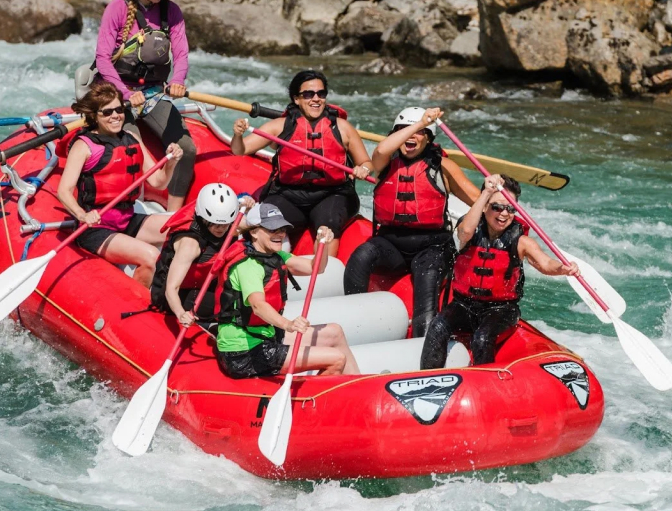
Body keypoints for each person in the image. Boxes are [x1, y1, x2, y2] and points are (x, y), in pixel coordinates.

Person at [342, 107, 481, 337]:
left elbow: (477, 200)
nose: (411, 136)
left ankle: (422, 347)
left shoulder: (443, 167)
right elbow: (380, 149)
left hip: (432, 247)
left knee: (427, 285)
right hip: (391, 244)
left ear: (429, 138)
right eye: (402, 131)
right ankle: (354, 324)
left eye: (419, 132)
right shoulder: (385, 162)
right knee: (360, 256)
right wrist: (418, 125)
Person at [420, 176, 579, 369]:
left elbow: (545, 263)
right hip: (464, 304)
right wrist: (486, 191)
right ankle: (428, 378)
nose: (504, 213)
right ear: (485, 207)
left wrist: (563, 268)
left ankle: (484, 385)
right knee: (437, 327)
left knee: (482, 337)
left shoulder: (521, 241)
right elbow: (464, 232)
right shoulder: (468, 231)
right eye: (497, 207)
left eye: (510, 208)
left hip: (501, 310)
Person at [229, 70, 372, 257]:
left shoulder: (342, 128)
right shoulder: (280, 126)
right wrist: (238, 135)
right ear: (297, 99)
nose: (316, 99)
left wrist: (363, 169)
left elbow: (367, 162)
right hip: (289, 194)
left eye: (321, 94)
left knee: (328, 222)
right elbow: (240, 149)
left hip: (332, 194)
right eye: (308, 94)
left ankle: (322, 276)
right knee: (265, 220)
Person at [57, 82, 183, 288]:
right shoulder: (84, 146)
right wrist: (82, 215)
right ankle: (139, 306)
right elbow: (63, 190)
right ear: (94, 116)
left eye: (119, 110)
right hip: (95, 228)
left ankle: (171, 291)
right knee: (150, 257)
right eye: (107, 112)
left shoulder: (131, 138)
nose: (115, 115)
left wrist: (172, 163)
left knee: (182, 230)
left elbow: (158, 182)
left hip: (127, 219)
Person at [214, 203, 360, 378]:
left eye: (282, 228)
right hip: (243, 352)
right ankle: (320, 401)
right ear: (253, 232)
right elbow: (258, 306)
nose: (280, 234)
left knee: (335, 332)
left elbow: (316, 268)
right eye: (272, 229)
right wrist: (288, 325)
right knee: (336, 359)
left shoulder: (277, 257)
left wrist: (321, 242)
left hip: (265, 335)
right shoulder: (249, 266)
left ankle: (359, 386)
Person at [94, 0, 196, 211]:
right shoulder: (118, 7)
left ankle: (173, 216)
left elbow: (181, 55)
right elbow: (102, 58)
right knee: (132, 143)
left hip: (153, 92)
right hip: (117, 92)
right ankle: (130, 209)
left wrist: (177, 81)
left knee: (186, 148)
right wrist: (125, 93)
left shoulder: (172, 11)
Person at [150, 183, 255, 326]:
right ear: (203, 218)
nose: (221, 229)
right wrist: (181, 314)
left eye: (226, 224)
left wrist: (250, 207)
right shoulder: (190, 244)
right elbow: (171, 288)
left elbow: (258, 227)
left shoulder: (227, 223)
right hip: (179, 295)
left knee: (251, 299)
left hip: (207, 284)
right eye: (215, 224)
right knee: (236, 305)